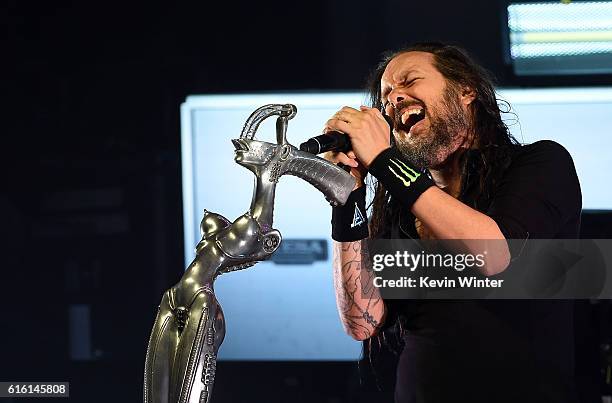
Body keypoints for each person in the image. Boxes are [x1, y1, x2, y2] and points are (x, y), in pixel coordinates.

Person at [325, 43, 582, 403]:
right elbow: (362, 322)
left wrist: (383, 161)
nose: (394, 98)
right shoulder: (400, 207)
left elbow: (493, 254)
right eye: (385, 97)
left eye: (409, 81)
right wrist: (346, 197)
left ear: (466, 90)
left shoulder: (540, 164)